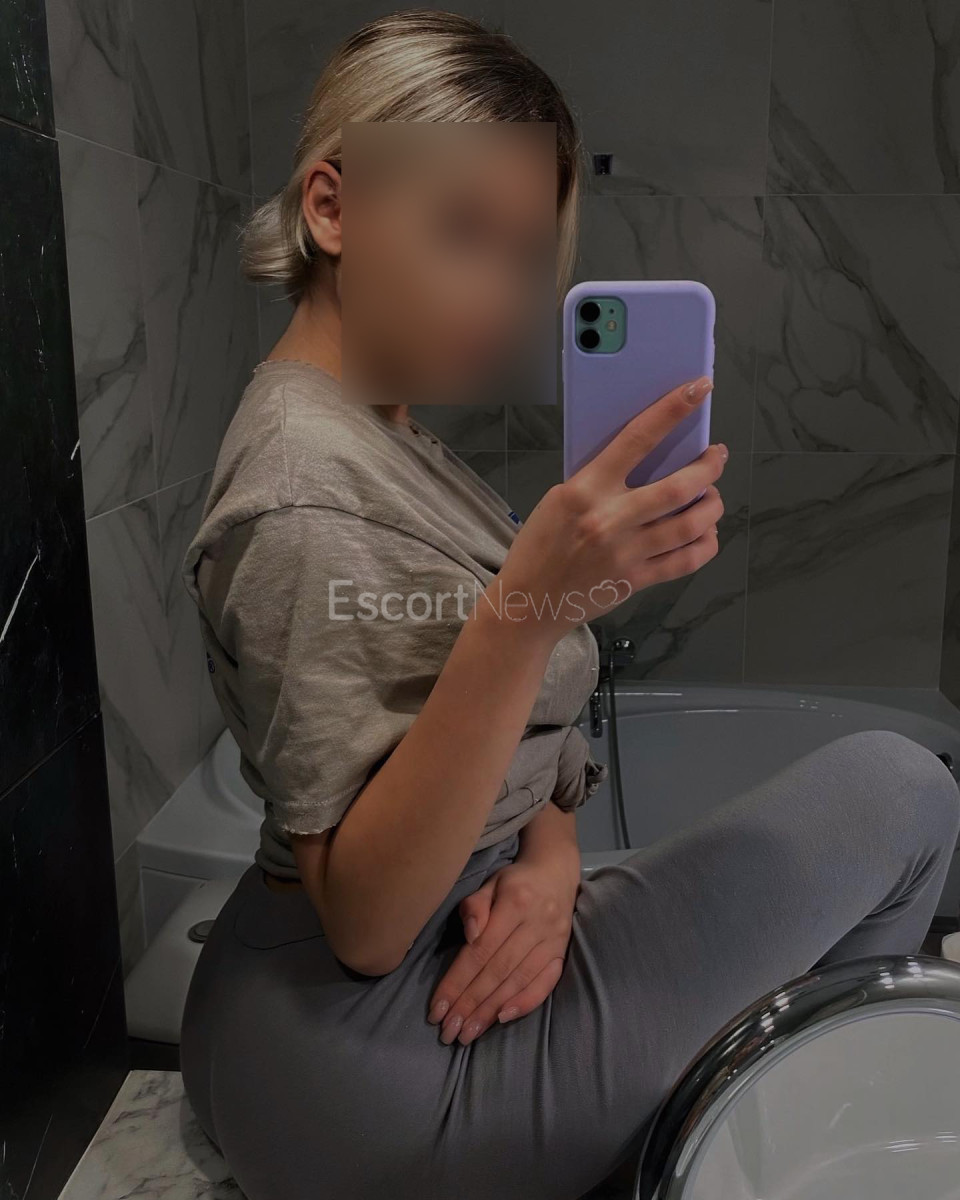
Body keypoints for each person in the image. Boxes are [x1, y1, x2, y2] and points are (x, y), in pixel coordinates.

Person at [179, 11, 960, 1199]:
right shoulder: (302, 489)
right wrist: (531, 607)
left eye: (527, 255)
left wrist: (549, 865)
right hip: (387, 1062)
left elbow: (462, 749)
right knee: (906, 794)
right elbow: (370, 921)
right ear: (331, 209)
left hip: (327, 1003)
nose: (500, 295)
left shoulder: (375, 430)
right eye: (462, 231)